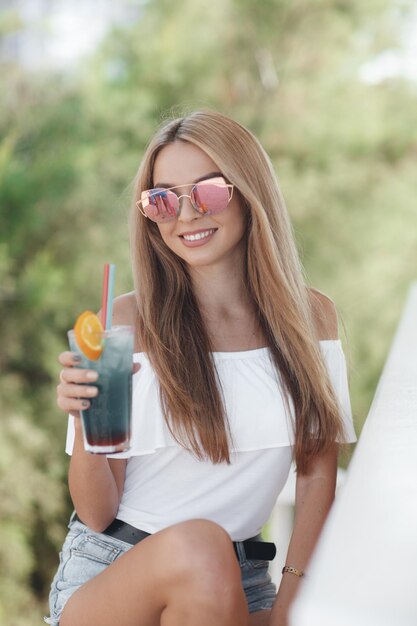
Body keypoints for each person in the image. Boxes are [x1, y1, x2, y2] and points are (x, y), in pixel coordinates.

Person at [46, 110, 357, 626]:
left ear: (249, 191)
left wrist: (293, 594)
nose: (186, 215)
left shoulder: (312, 319)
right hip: (112, 575)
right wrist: (84, 421)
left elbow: (317, 470)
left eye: (209, 192)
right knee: (198, 545)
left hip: (243, 582)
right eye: (163, 199)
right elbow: (98, 513)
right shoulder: (124, 323)